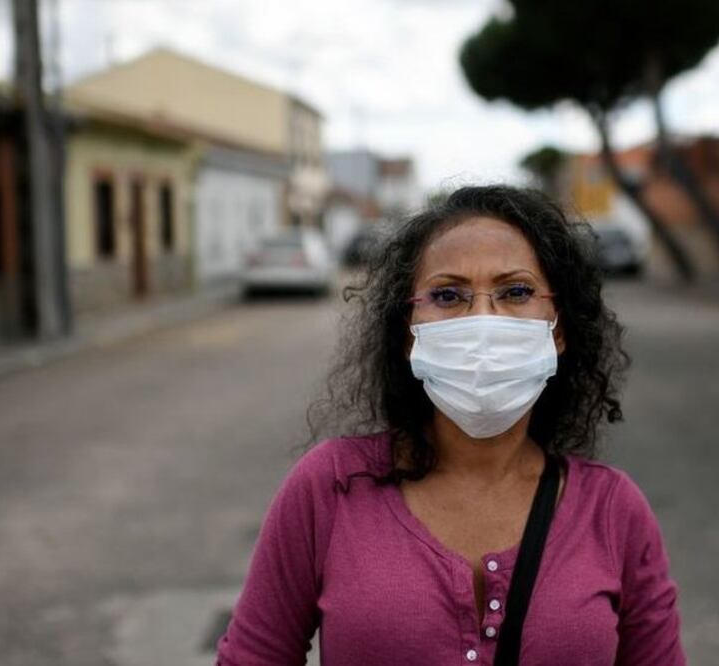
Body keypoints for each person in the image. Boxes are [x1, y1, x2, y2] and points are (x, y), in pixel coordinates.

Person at [216, 185, 684, 665]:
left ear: (558, 329)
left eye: (516, 291)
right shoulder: (331, 488)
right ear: (409, 333)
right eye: (447, 295)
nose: (483, 319)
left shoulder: (613, 511)